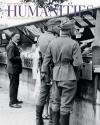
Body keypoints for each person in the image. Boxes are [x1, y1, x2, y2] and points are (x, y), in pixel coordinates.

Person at [41, 20, 83, 125]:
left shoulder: (53, 42)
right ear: (69, 30)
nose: (74, 30)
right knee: (65, 106)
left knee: (55, 103)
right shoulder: (74, 43)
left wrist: (46, 75)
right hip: (69, 76)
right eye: (73, 29)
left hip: (55, 76)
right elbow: (78, 64)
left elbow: (45, 63)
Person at [36, 18, 61, 125]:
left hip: (43, 69)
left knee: (42, 94)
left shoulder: (41, 37)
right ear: (51, 26)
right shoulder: (54, 39)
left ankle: (38, 119)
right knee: (53, 96)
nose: (59, 28)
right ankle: (52, 121)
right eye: (57, 26)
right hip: (52, 70)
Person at [6, 33, 23, 108]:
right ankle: (12, 103)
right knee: (13, 85)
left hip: (14, 69)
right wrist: (20, 56)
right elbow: (11, 58)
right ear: (12, 37)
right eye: (16, 37)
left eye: (19, 37)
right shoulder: (12, 46)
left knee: (15, 85)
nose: (18, 38)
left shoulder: (13, 44)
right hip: (13, 69)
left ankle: (15, 100)